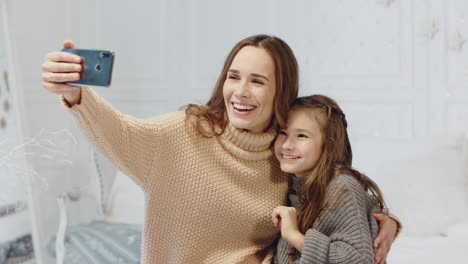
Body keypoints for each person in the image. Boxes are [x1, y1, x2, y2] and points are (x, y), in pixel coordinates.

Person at [41, 35, 399, 264]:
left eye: (257, 81)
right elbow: (116, 130)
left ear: (281, 92)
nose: (240, 91)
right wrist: (76, 95)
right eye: (233, 76)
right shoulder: (182, 134)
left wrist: (389, 223)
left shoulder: (285, 156)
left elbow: (337, 197)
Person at [271, 95, 399, 264]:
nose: (287, 145)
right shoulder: (291, 182)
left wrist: (293, 236)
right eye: (283, 132)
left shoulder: (342, 187)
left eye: (301, 135)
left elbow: (358, 260)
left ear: (328, 145)